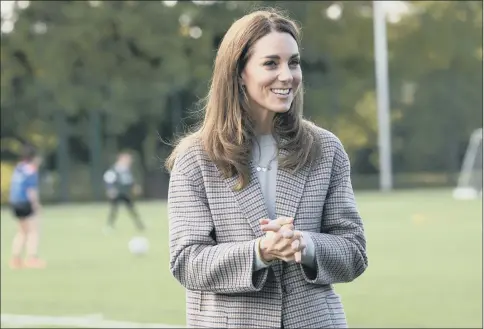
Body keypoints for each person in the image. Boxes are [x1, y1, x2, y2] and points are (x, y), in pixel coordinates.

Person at [166, 8, 368, 329]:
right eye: (271, 63)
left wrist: (306, 245)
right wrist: (260, 251)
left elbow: (354, 252)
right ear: (238, 72)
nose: (287, 75)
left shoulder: (325, 149)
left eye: (294, 62)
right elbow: (187, 262)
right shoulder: (196, 157)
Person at [8, 144, 46, 269]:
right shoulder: (31, 169)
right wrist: (36, 206)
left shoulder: (19, 167)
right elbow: (31, 190)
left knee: (22, 232)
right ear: (34, 157)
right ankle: (32, 258)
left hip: (15, 202)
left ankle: (16, 259)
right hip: (25, 202)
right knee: (33, 231)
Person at [103, 152, 145, 232]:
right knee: (114, 210)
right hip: (117, 193)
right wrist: (110, 189)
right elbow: (109, 180)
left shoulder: (127, 170)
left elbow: (129, 181)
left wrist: (134, 187)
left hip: (125, 193)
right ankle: (109, 226)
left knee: (132, 209)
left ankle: (139, 225)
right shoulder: (115, 169)